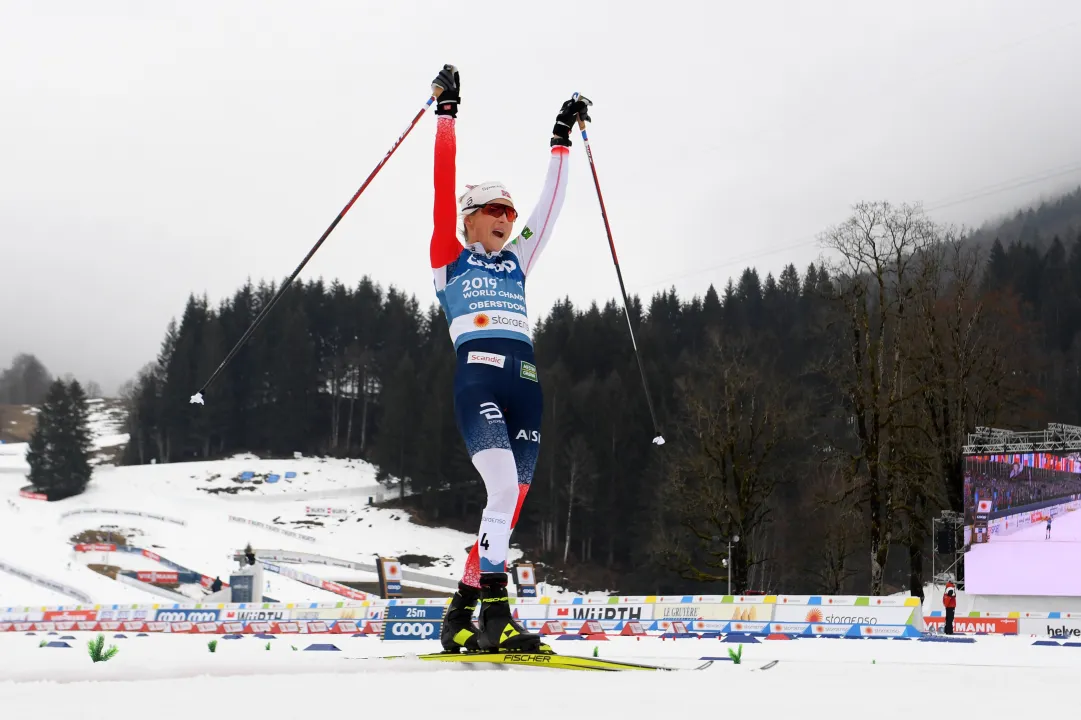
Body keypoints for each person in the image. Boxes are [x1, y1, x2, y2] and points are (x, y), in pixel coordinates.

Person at [427, 64, 590, 654]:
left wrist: (560, 139)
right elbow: (443, 187)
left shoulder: (518, 261)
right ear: (470, 216)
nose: (506, 216)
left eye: (508, 212)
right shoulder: (450, 256)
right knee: (499, 491)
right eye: (494, 208)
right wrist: (447, 116)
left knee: (509, 507)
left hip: (527, 387)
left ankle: (461, 614)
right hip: (480, 383)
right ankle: (498, 614)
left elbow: (550, 207)